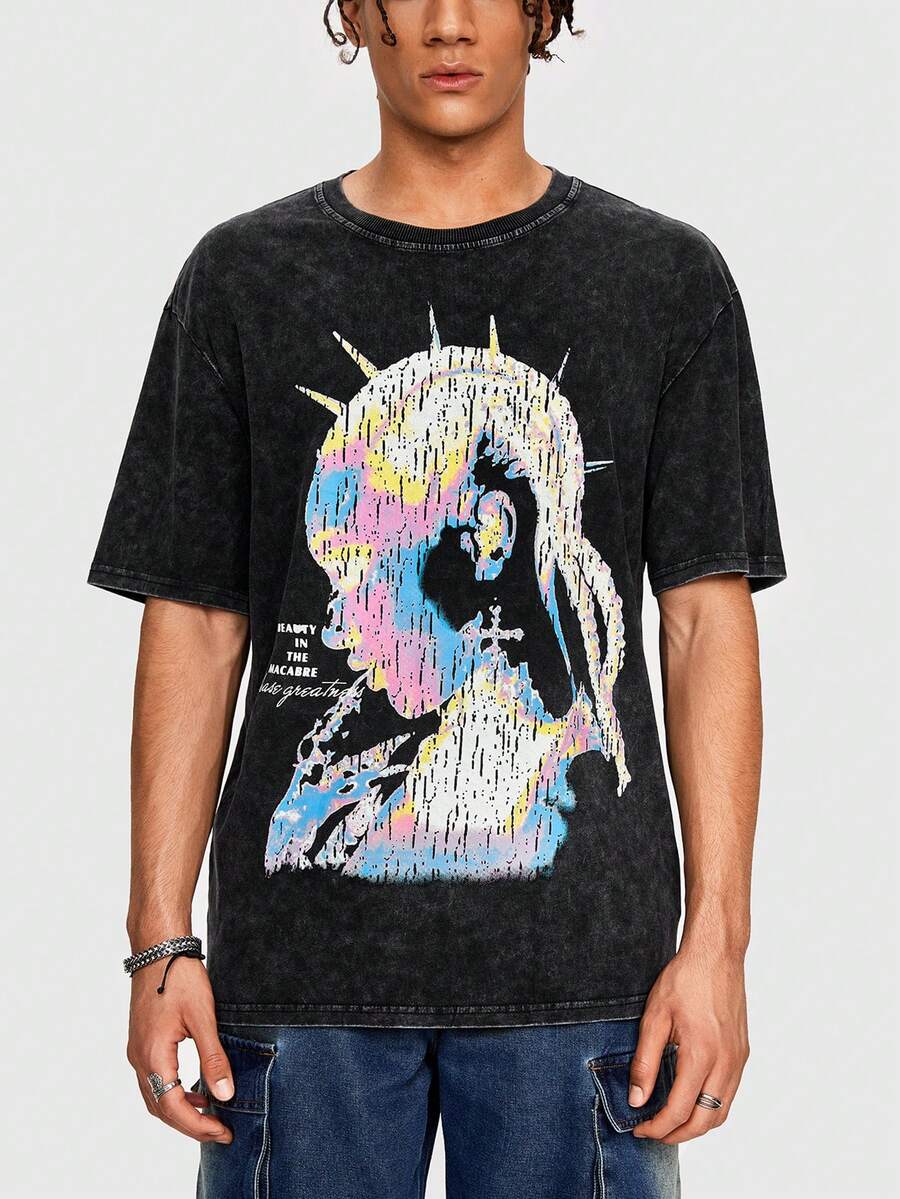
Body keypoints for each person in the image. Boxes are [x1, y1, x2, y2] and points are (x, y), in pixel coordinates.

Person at [89, 3, 787, 1196]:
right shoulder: (242, 277)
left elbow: (704, 618)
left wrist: (718, 944)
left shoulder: (664, 279)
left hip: (590, 991)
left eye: (365, 563)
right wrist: (158, 938)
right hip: (295, 991)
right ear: (357, 12)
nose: (449, 21)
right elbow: (197, 621)